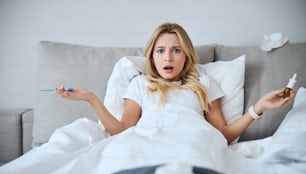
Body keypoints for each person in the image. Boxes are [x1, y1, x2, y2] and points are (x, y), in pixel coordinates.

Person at [56, 22, 295, 144]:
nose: (167, 57)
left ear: (186, 56)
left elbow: (223, 135)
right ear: (152, 56)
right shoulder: (140, 84)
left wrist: (259, 108)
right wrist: (91, 98)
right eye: (160, 51)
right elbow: (122, 131)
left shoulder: (203, 83)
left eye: (175, 50)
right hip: (147, 143)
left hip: (192, 144)